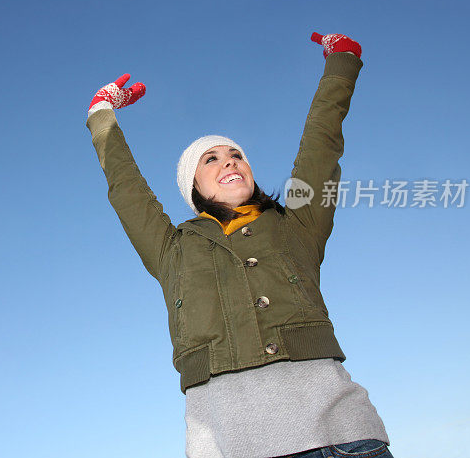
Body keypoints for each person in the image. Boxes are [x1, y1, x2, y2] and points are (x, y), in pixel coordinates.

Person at [84, 33, 395, 458]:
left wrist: (341, 63)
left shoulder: (297, 222)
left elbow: (321, 144)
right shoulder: (171, 249)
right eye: (210, 159)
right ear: (192, 187)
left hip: (341, 438)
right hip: (228, 446)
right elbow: (125, 189)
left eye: (236, 154)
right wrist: (102, 113)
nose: (229, 160)